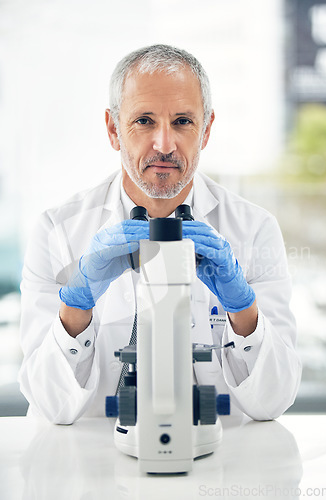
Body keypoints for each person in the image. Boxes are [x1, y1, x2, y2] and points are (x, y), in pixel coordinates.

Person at [19, 44, 301, 424]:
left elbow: (274, 401)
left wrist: (244, 312)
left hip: (218, 470)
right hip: (94, 474)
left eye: (183, 121)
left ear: (206, 130)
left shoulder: (255, 230)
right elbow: (49, 405)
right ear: (113, 129)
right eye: (144, 121)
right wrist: (76, 307)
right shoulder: (57, 232)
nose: (164, 144)